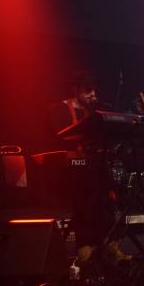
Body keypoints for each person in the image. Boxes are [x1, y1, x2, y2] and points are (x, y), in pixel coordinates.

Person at [49, 70, 123, 267]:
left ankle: (110, 246)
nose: (93, 94)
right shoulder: (59, 110)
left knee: (108, 199)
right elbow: (60, 138)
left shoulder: (96, 112)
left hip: (95, 166)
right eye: (88, 90)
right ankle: (85, 248)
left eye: (94, 90)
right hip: (70, 171)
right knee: (85, 200)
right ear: (75, 89)